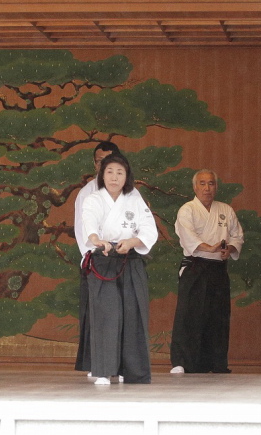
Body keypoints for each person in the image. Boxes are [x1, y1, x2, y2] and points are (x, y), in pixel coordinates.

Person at [80, 152, 158, 385]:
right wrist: (98, 240)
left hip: (130, 258)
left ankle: (130, 369)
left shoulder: (134, 199)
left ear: (127, 177)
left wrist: (132, 242)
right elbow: (89, 225)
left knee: (133, 313)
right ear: (102, 175)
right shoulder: (93, 199)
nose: (114, 177)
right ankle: (104, 371)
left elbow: (149, 229)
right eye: (110, 172)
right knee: (107, 314)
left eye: (120, 173)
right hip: (103, 259)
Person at [169, 169, 244, 374]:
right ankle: (183, 362)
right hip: (195, 267)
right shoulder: (188, 210)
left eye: (211, 183)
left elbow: (237, 236)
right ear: (195, 187)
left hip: (218, 269)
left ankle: (216, 363)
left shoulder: (225, 210)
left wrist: (230, 249)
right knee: (190, 314)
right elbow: (187, 236)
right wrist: (208, 248)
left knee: (218, 316)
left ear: (216, 187)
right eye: (202, 183)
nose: (207, 188)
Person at [73, 141, 119, 376]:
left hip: (122, 259)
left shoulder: (130, 192)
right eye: (100, 161)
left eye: (109, 161)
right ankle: (95, 364)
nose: (104, 166)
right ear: (95, 163)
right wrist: (91, 256)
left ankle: (121, 364)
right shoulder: (87, 192)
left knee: (122, 313)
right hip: (97, 260)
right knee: (96, 314)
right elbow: (82, 230)